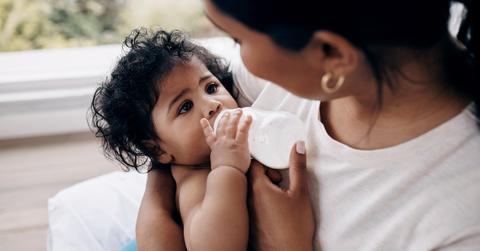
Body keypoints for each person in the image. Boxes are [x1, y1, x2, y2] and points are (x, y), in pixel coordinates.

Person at [137, 0, 480, 250]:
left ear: (331, 54)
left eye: (238, 41)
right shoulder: (297, 67)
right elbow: (174, 147)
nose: (213, 101)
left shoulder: (460, 222)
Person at [90, 28, 266, 251]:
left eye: (211, 87)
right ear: (157, 150)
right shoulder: (195, 179)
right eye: (185, 107)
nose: (212, 105)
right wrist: (227, 168)